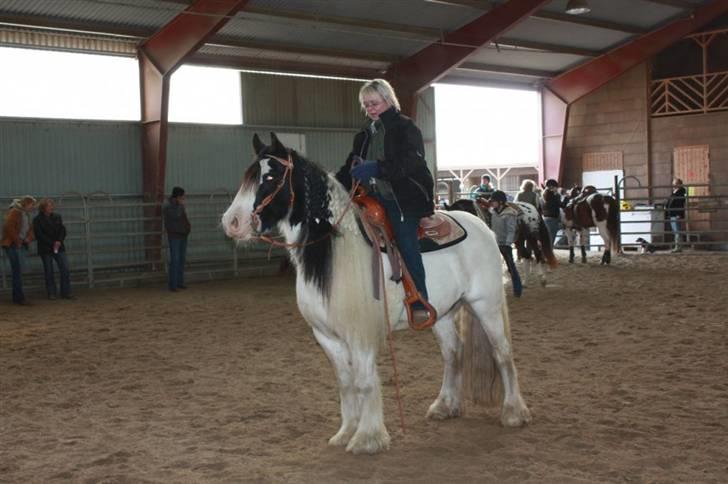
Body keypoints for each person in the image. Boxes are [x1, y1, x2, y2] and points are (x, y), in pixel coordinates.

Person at [335, 78, 435, 322]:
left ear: (388, 100)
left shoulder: (405, 128)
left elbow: (412, 162)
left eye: (374, 103)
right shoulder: (364, 135)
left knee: (406, 241)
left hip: (402, 198)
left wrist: (377, 168)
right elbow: (351, 166)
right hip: (370, 197)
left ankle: (419, 299)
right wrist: (333, 183)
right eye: (366, 105)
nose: (370, 109)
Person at [33, 198, 72, 300]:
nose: (52, 207)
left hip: (59, 247)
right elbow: (39, 235)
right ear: (43, 208)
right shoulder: (37, 220)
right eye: (49, 206)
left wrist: (59, 241)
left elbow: (62, 230)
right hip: (46, 248)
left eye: (52, 205)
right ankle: (52, 293)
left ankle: (66, 292)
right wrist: (52, 243)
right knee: (49, 271)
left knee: (65, 269)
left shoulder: (57, 217)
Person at [1, 196, 36, 305]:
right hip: (13, 244)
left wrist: (29, 237)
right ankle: (19, 297)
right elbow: (8, 227)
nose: (32, 207)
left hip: (17, 244)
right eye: (31, 205)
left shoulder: (23, 213)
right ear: (26, 204)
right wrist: (18, 241)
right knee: (18, 271)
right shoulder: (16, 212)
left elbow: (29, 228)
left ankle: (18, 297)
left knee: (18, 271)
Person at [489, 191, 522, 298]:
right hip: (495, 243)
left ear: (501, 202)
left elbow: (511, 230)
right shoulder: (493, 212)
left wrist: (508, 244)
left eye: (494, 201)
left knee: (511, 267)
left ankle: (517, 289)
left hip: (505, 244)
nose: (492, 203)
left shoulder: (510, 214)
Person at [163, 186, 191, 292]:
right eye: (182, 197)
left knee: (181, 259)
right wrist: (180, 206)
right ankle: (173, 284)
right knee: (175, 260)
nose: (183, 199)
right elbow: (176, 216)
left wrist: (187, 227)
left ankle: (179, 282)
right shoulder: (168, 206)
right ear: (178, 197)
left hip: (182, 234)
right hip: (174, 235)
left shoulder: (178, 205)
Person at [665, 178, 686, 253]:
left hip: (676, 214)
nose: (673, 185)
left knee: (677, 230)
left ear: (679, 184)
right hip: (672, 214)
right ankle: (679, 246)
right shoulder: (674, 192)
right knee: (676, 230)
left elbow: (680, 205)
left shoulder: (680, 193)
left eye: (675, 183)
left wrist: (679, 214)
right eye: (673, 183)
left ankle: (678, 247)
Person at [541, 179, 562, 246]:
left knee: (547, 238)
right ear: (552, 187)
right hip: (553, 219)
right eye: (556, 187)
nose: (557, 189)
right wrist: (567, 197)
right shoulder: (553, 196)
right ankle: (549, 254)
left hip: (545, 218)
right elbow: (562, 205)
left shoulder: (544, 195)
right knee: (551, 239)